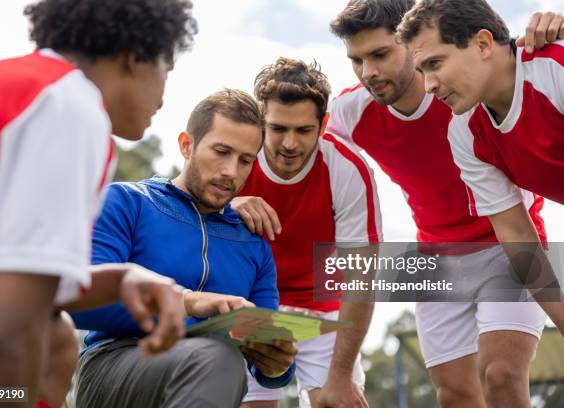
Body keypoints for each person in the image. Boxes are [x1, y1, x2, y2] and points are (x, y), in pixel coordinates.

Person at [0, 0, 196, 406]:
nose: (163, 100)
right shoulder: (70, 108)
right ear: (136, 56)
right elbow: (7, 332)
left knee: (55, 337)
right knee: (34, 336)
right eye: (166, 72)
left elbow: (22, 283)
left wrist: (119, 279)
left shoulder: (19, 87)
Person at [325, 1, 563, 406]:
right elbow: (292, 147)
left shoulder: (481, 89)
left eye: (380, 54)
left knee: (501, 374)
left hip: (503, 245)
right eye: (357, 61)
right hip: (436, 254)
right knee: (454, 394)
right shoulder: (359, 112)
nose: (369, 73)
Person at [69, 89, 298, 408]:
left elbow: (265, 350)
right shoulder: (126, 203)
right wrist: (188, 303)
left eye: (245, 160)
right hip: (115, 366)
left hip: (212, 380)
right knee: (218, 358)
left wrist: (279, 367)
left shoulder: (254, 244)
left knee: (222, 361)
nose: (231, 171)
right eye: (221, 151)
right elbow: (81, 303)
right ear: (187, 145)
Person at [398, 0, 564, 337]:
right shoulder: (464, 132)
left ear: (483, 44)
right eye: (422, 72)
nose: (428, 85)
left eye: (435, 64)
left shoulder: (556, 68)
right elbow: (518, 237)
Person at [232, 57, 381, 408]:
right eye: (278, 128)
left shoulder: (347, 169)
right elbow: (181, 212)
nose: (289, 144)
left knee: (339, 401)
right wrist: (228, 206)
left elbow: (363, 279)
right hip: (249, 306)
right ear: (259, 120)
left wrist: (341, 376)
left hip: (322, 314)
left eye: (303, 130)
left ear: (324, 123)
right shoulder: (234, 159)